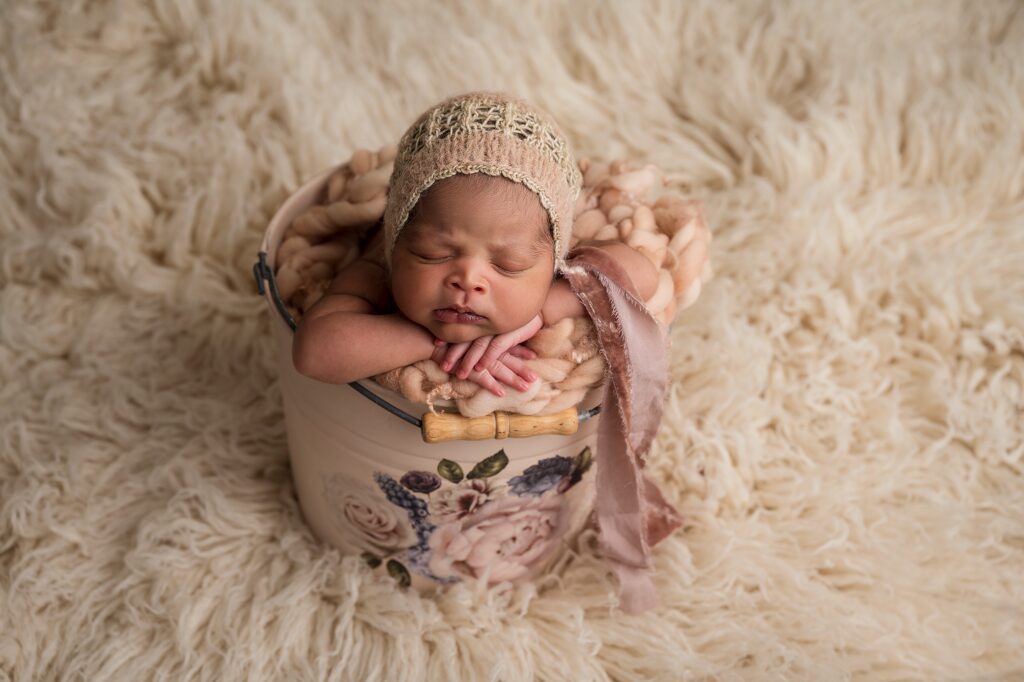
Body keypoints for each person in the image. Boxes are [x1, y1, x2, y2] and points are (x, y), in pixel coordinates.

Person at [291, 92, 658, 397]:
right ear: (396, 238)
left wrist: (545, 308)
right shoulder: (380, 269)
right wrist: (431, 342)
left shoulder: (546, 251)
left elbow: (642, 274)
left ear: (553, 260)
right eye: (433, 253)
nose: (468, 280)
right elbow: (314, 352)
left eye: (509, 264)